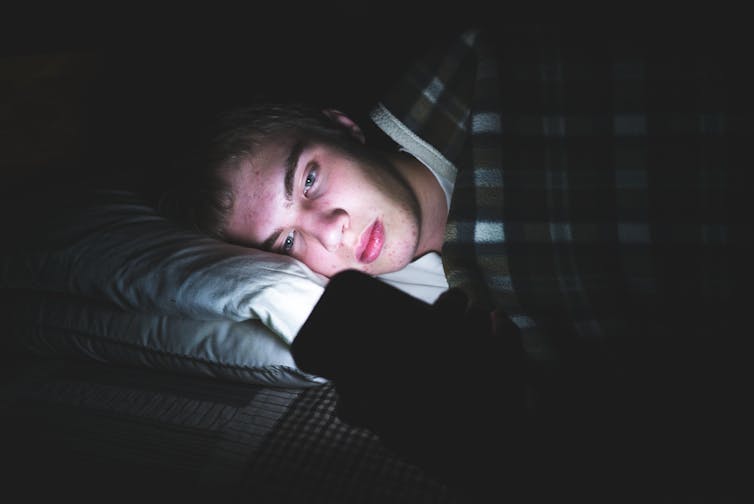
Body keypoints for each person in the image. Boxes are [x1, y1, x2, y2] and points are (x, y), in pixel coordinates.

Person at [161, 25, 743, 498]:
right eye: (286, 242)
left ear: (342, 128)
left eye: (309, 178)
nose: (330, 229)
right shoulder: (453, 319)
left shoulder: (492, 65)